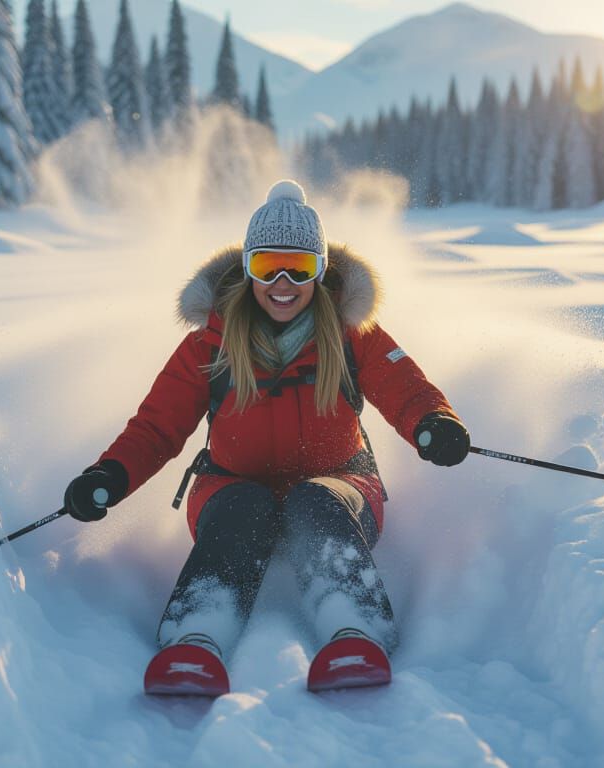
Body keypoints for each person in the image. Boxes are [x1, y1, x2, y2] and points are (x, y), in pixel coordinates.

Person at [63, 180, 470, 695]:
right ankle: (196, 638)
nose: (282, 282)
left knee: (314, 499)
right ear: (247, 268)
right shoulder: (209, 343)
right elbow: (156, 427)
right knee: (243, 509)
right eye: (266, 266)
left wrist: (433, 423)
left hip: (341, 484)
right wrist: (109, 476)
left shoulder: (352, 336)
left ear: (320, 272)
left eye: (298, 267)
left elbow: (406, 387)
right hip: (230, 486)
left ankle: (355, 630)